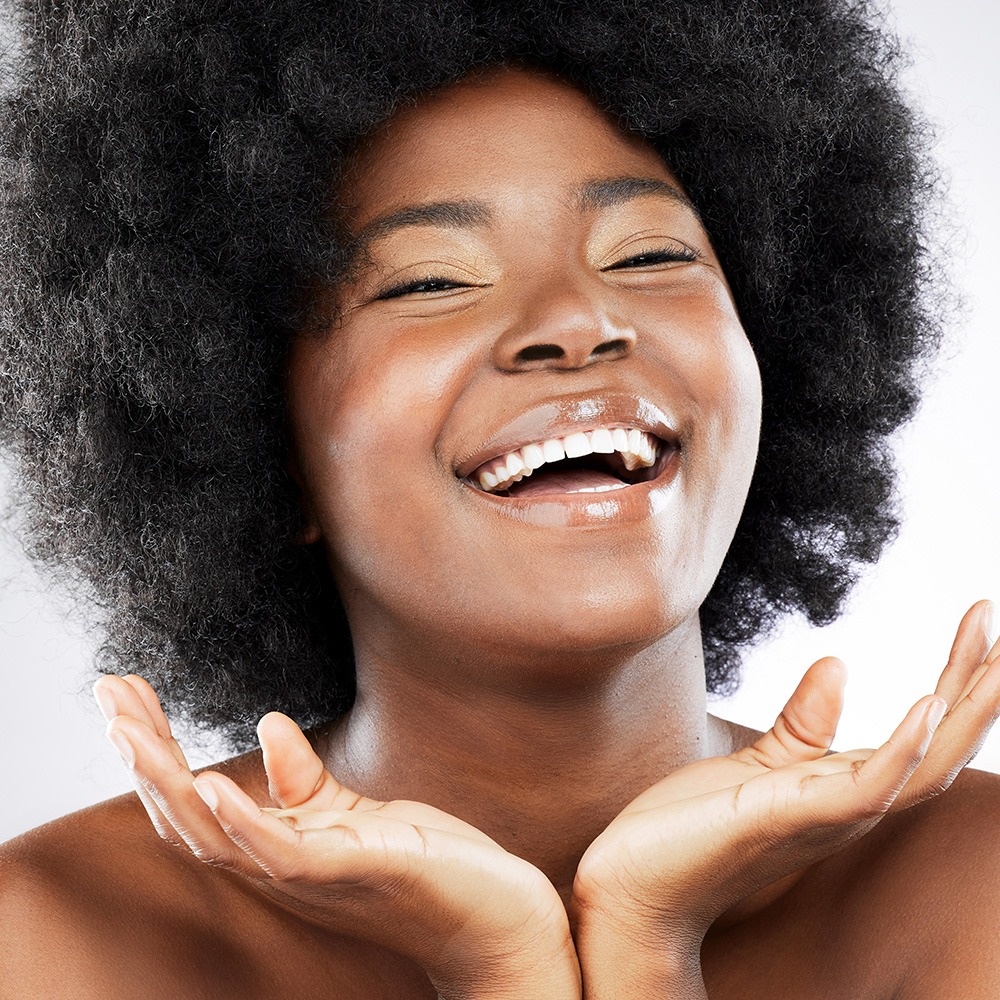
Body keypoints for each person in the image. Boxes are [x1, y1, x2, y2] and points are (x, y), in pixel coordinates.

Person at [1, 2, 998, 997]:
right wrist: (501, 964)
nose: (574, 320)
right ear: (255, 434)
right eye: (431, 280)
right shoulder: (56, 940)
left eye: (649, 255)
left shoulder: (969, 885)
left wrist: (645, 942)